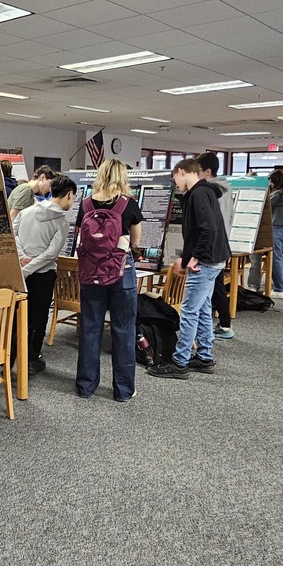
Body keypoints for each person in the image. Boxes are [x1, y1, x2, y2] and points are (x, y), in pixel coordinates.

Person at [148, 158, 231, 380]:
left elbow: (208, 229)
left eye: (174, 178)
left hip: (206, 260)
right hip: (213, 258)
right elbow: (201, 230)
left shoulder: (199, 194)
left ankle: (180, 361)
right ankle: (204, 356)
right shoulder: (204, 192)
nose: (175, 183)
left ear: (182, 171)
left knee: (189, 310)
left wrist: (193, 257)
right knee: (203, 308)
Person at [74, 160, 143, 402]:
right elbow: (135, 240)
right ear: (123, 176)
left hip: (91, 272)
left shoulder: (86, 203)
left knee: (90, 327)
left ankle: (85, 385)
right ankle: (123, 390)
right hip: (121, 271)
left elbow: (80, 235)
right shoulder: (129, 204)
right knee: (124, 329)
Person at [13, 174, 77, 373]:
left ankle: (10, 356)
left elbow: (12, 235)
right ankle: (32, 359)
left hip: (21, 272)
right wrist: (30, 267)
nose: (73, 202)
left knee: (18, 315)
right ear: (68, 195)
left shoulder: (26, 212)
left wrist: (23, 259)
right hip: (43, 275)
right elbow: (51, 254)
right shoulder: (62, 223)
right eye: (73, 197)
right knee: (39, 317)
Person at [197, 152, 236, 340]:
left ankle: (225, 324)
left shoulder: (209, 191)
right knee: (215, 285)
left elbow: (209, 223)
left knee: (215, 286)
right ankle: (223, 324)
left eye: (198, 171)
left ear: (208, 171)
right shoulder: (225, 188)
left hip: (213, 245)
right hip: (222, 241)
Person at [247, 170, 283, 299]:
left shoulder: (279, 193)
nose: (270, 184)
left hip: (276, 229)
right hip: (281, 228)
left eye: (271, 182)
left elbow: (263, 203)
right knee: (274, 258)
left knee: (275, 259)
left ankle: (279, 289)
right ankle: (260, 285)